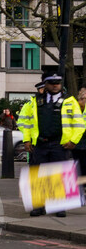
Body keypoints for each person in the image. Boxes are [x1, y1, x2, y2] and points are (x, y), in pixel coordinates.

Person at [17, 73, 85, 216]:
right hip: (40, 143)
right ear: (45, 84)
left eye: (58, 83)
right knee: (38, 174)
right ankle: (39, 205)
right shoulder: (35, 101)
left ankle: (59, 206)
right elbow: (28, 124)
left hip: (59, 143)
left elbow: (79, 124)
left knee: (59, 174)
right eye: (52, 83)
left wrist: (73, 141)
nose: (55, 86)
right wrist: (27, 140)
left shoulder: (70, 101)